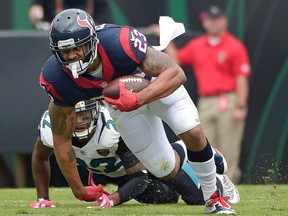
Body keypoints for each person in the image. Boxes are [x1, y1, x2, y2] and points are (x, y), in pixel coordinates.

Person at [39, 8, 236, 214]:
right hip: (121, 106)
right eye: (65, 51)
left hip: (155, 85)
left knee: (191, 131)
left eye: (78, 48)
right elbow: (61, 140)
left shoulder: (118, 41)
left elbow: (176, 73)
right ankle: (200, 153)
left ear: (92, 41)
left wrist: (139, 98)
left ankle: (214, 199)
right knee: (163, 168)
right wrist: (78, 189)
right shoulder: (56, 77)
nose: (72, 56)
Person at [30, 100, 239, 208]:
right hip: (114, 173)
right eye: (75, 115)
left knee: (196, 199)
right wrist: (43, 197)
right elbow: (40, 157)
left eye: (85, 114)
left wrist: (113, 200)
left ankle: (186, 153)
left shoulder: (110, 130)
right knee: (166, 198)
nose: (80, 120)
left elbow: (140, 177)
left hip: (141, 163)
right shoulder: (53, 128)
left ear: (95, 112)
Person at [162, 5, 251, 184]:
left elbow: (241, 77)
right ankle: (211, 184)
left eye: (217, 19)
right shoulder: (197, 45)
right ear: (205, 22)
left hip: (229, 99)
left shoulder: (234, 46)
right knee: (204, 143)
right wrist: (166, 40)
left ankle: (229, 183)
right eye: (211, 20)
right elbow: (177, 60)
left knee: (229, 146)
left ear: (224, 22)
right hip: (205, 102)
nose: (214, 23)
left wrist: (240, 106)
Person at [29, 0, 112, 30]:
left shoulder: (98, 2)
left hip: (87, 42)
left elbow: (105, 20)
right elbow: (36, 10)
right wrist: (38, 17)